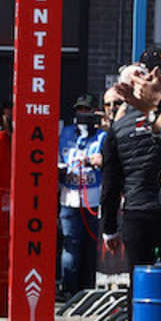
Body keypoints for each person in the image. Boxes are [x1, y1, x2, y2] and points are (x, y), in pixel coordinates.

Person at [101, 64, 161, 321]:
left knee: (138, 280)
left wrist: (109, 228)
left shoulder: (117, 129)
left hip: (135, 212)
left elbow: (110, 184)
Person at [57, 94, 104, 296]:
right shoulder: (67, 133)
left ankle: (86, 288)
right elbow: (58, 157)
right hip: (69, 196)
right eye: (80, 110)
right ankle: (69, 289)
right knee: (70, 245)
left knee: (90, 245)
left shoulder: (103, 135)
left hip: (94, 198)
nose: (83, 115)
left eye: (87, 110)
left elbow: (106, 160)